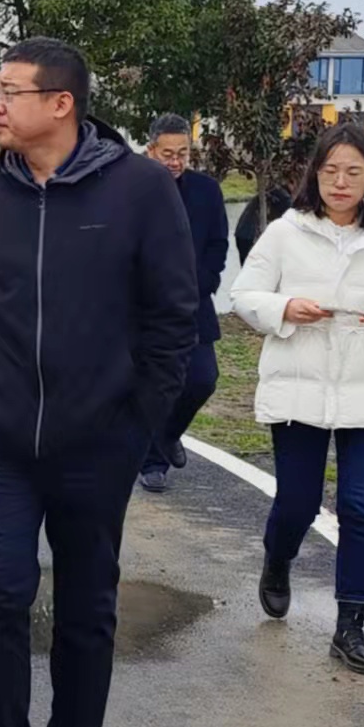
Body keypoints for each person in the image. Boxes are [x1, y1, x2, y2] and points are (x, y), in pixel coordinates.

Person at [0, 38, 195, 727]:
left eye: (9, 90)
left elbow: (172, 317)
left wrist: (134, 425)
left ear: (61, 103)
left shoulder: (142, 189)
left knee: (86, 601)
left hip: (98, 442)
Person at [228, 123, 364, 676]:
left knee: (361, 508)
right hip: (298, 387)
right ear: (315, 175)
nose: (340, 182)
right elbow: (244, 294)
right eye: (330, 171)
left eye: (352, 172)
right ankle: (278, 558)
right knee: (298, 503)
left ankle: (351, 625)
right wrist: (284, 308)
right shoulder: (286, 232)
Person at [137, 114, 230, 493]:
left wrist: (202, 283)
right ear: (151, 151)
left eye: (183, 154)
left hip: (194, 303)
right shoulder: (132, 190)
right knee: (156, 385)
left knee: (203, 379)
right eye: (168, 154)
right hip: (144, 308)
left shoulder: (207, 191)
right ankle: (152, 463)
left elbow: (218, 245)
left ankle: (167, 435)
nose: (175, 161)